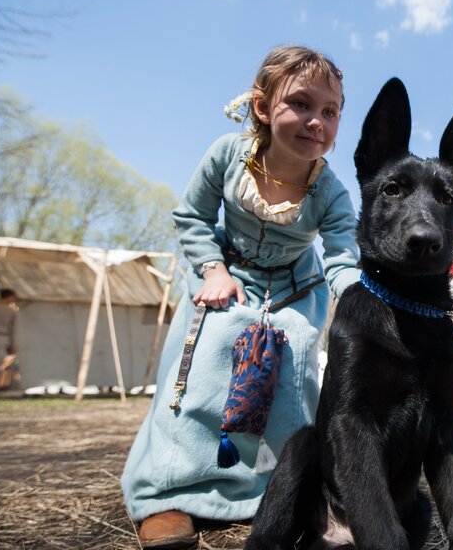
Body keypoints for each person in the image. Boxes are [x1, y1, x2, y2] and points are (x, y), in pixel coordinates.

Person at [121, 46, 361, 549]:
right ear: (262, 107)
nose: (316, 121)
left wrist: (358, 299)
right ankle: (169, 493)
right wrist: (213, 269)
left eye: (330, 111)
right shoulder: (228, 155)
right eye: (301, 104)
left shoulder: (331, 193)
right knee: (212, 347)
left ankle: (291, 493)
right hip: (225, 275)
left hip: (295, 287)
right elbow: (191, 218)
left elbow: (341, 257)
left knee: (293, 356)